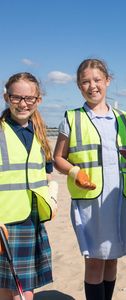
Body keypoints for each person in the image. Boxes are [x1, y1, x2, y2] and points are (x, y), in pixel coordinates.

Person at [53, 58, 126, 300]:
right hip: (90, 201)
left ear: (108, 81)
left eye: (97, 80)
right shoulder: (71, 118)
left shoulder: (123, 118)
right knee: (94, 261)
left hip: (120, 198)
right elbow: (58, 158)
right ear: (78, 85)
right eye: (85, 81)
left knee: (112, 260)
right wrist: (75, 172)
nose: (92, 86)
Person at [0, 72, 57, 300]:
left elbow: (47, 175)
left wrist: (52, 200)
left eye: (29, 98)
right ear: (6, 97)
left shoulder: (40, 134)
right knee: (8, 288)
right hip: (4, 221)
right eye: (16, 98)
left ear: (38, 100)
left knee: (21, 289)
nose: (23, 104)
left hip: (31, 219)